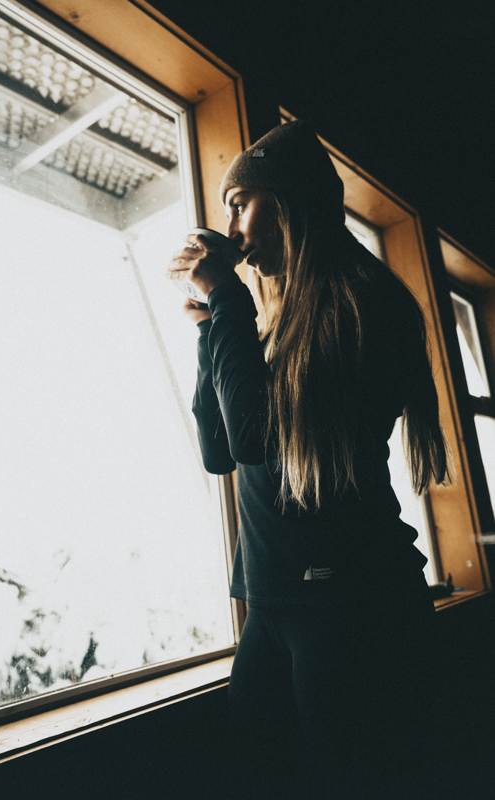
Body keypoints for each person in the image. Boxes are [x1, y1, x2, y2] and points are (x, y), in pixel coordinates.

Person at [167, 121, 450, 800]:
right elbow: (218, 452)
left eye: (240, 201)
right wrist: (213, 330)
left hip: (351, 604)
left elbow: (251, 440)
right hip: (274, 601)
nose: (229, 224)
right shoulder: (279, 322)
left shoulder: (362, 301)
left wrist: (229, 299)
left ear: (288, 198)